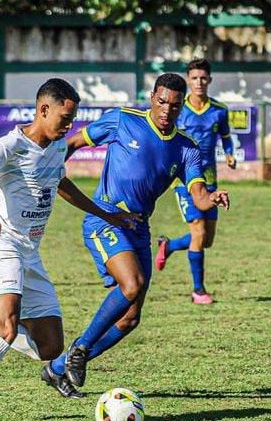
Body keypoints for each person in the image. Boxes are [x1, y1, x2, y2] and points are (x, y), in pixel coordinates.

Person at [0, 78, 138, 421]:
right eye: (64, 117)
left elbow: (62, 184)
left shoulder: (56, 146)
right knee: (5, 329)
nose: (69, 126)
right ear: (43, 110)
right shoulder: (10, 145)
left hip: (29, 250)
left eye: (72, 119)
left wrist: (107, 215)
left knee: (49, 346)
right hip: (0, 242)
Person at [40, 73, 230, 397]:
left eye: (174, 105)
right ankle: (81, 348)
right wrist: (46, 169)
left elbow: (197, 193)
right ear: (152, 97)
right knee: (133, 284)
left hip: (139, 227)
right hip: (106, 217)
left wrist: (209, 198)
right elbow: (73, 142)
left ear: (182, 105)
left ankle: (58, 368)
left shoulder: (186, 148)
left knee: (130, 319)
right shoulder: (122, 120)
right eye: (161, 102)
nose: (167, 110)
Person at [154, 58, 236, 305]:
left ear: (209, 80)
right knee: (198, 232)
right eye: (194, 78)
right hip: (184, 181)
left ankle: (167, 246)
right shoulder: (178, 109)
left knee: (206, 240)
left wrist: (230, 153)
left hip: (209, 180)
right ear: (188, 80)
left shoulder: (219, 110)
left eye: (203, 78)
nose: (199, 82)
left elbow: (226, 136)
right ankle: (198, 291)